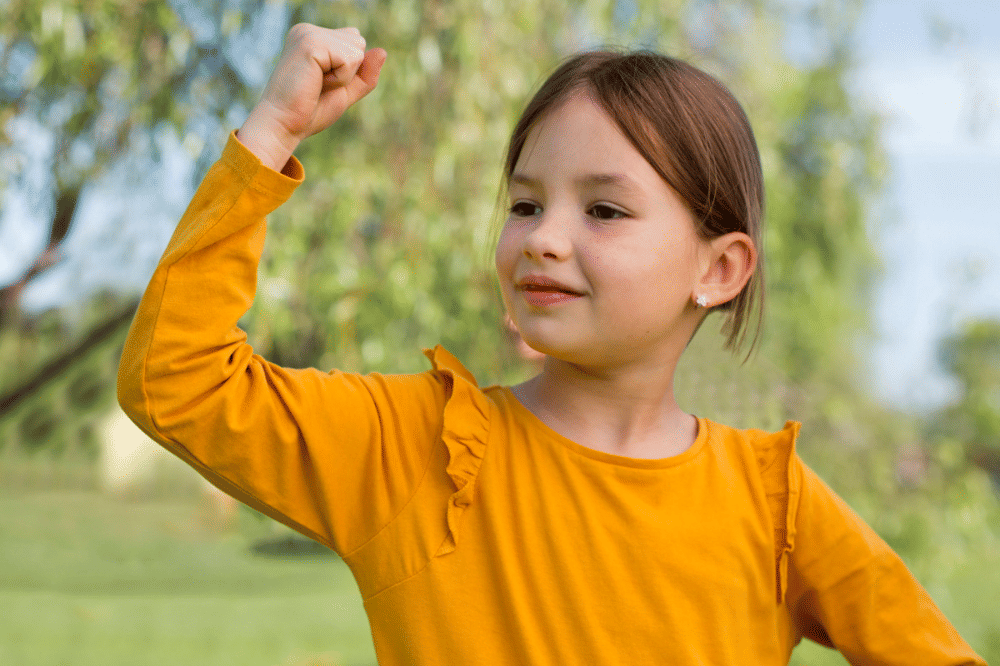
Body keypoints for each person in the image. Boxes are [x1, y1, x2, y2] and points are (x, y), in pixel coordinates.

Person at [117, 23, 986, 665]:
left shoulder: (776, 505)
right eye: (526, 203)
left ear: (719, 269)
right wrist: (272, 134)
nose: (541, 237)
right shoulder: (412, 450)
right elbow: (174, 376)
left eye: (602, 210)